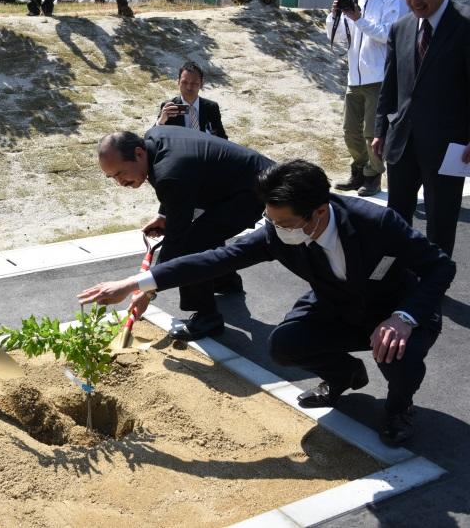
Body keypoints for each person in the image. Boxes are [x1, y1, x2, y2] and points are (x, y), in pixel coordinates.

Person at [80, 159, 455, 445]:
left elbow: (440, 267)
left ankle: (398, 407)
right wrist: (136, 281)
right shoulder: (277, 233)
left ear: (319, 212)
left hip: (397, 310)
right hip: (338, 305)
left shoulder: (378, 223)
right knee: (284, 345)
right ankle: (344, 376)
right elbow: (215, 259)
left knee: (396, 355)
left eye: (286, 223)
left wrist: (404, 317)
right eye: (270, 220)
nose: (276, 230)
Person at [97, 127, 274, 341]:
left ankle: (207, 318)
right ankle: (224, 280)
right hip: (235, 183)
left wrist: (147, 289)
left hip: (255, 191)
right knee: (205, 232)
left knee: (191, 245)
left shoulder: (169, 171)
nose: (120, 182)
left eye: (121, 173)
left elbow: (175, 239)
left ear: (139, 153)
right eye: (112, 177)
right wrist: (165, 214)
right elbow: (177, 186)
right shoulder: (154, 141)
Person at [372, 0, 470, 257]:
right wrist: (380, 130)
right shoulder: (400, 27)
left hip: (449, 144)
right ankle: (396, 275)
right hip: (402, 138)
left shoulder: (465, 24)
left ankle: (435, 280)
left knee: (441, 218)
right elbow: (389, 84)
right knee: (397, 215)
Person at [326, 0, 407, 197]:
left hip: (379, 77)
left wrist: (358, 19)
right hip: (354, 77)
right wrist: (334, 15)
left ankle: (373, 176)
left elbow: (389, 34)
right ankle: (359, 171)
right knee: (350, 131)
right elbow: (336, 38)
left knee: (372, 133)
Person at [157, 61, 228, 140]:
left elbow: (222, 138)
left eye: (194, 83)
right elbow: (155, 137)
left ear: (201, 84)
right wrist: (161, 121)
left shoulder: (211, 108)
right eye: (184, 82)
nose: (189, 87)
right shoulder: (169, 107)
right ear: (178, 82)